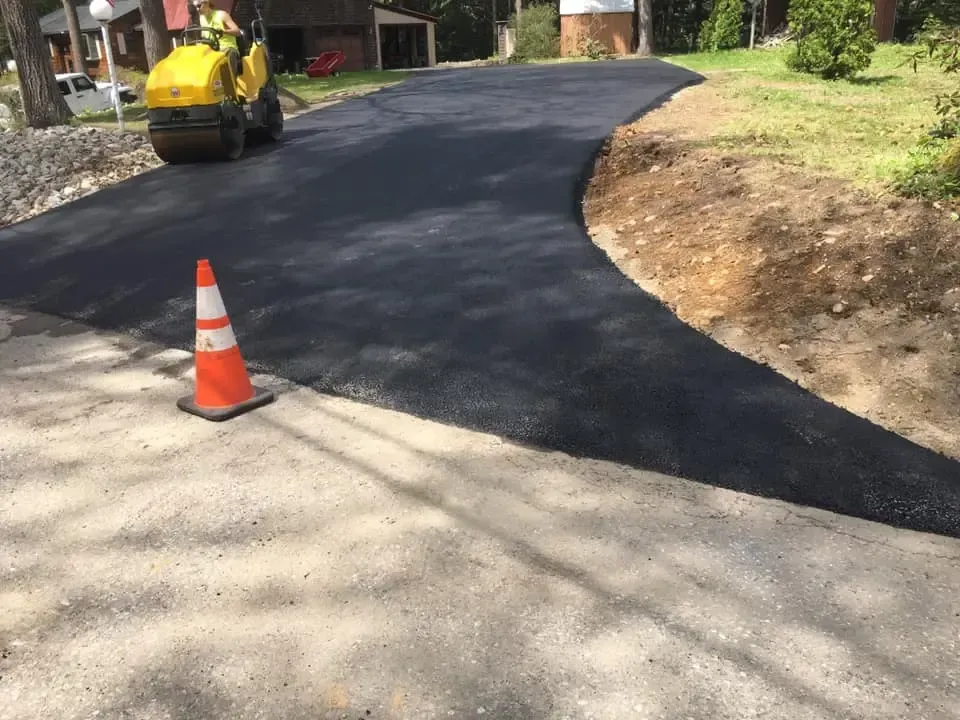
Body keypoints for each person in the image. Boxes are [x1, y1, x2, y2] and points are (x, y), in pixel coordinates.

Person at [193, 0, 244, 76]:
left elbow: (237, 31)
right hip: (212, 50)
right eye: (195, 7)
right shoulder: (202, 18)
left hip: (227, 47)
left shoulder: (222, 15)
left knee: (228, 56)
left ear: (206, 3)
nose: (197, 9)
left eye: (199, 6)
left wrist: (223, 32)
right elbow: (204, 36)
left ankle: (232, 84)